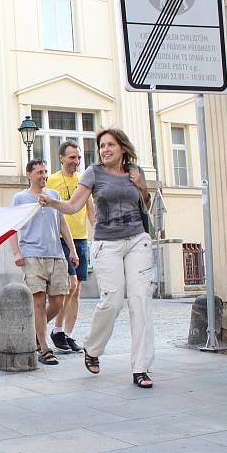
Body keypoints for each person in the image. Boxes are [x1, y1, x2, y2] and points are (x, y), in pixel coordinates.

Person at [39, 128, 155, 388]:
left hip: (137, 240)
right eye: (102, 146)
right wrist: (51, 203)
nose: (105, 150)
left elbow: (145, 205)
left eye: (110, 145)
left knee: (140, 301)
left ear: (122, 148)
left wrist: (141, 186)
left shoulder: (135, 172)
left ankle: (141, 367)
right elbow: (73, 206)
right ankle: (92, 348)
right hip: (108, 243)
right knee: (112, 301)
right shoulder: (94, 173)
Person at [8, 159, 76, 366]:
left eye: (45, 171)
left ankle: (35, 333)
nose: (43, 175)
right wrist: (16, 253)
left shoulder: (53, 196)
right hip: (32, 255)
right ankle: (44, 347)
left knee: (58, 301)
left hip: (56, 255)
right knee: (38, 301)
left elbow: (62, 223)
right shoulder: (19, 198)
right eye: (39, 172)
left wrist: (72, 249)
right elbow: (12, 228)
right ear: (29, 174)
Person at [46, 142, 96, 353]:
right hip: (61, 239)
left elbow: (90, 208)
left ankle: (66, 334)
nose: (76, 161)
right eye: (72, 157)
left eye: (78, 157)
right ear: (61, 158)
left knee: (77, 290)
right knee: (71, 284)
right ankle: (55, 329)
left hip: (81, 238)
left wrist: (98, 233)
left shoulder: (83, 179)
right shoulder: (52, 180)